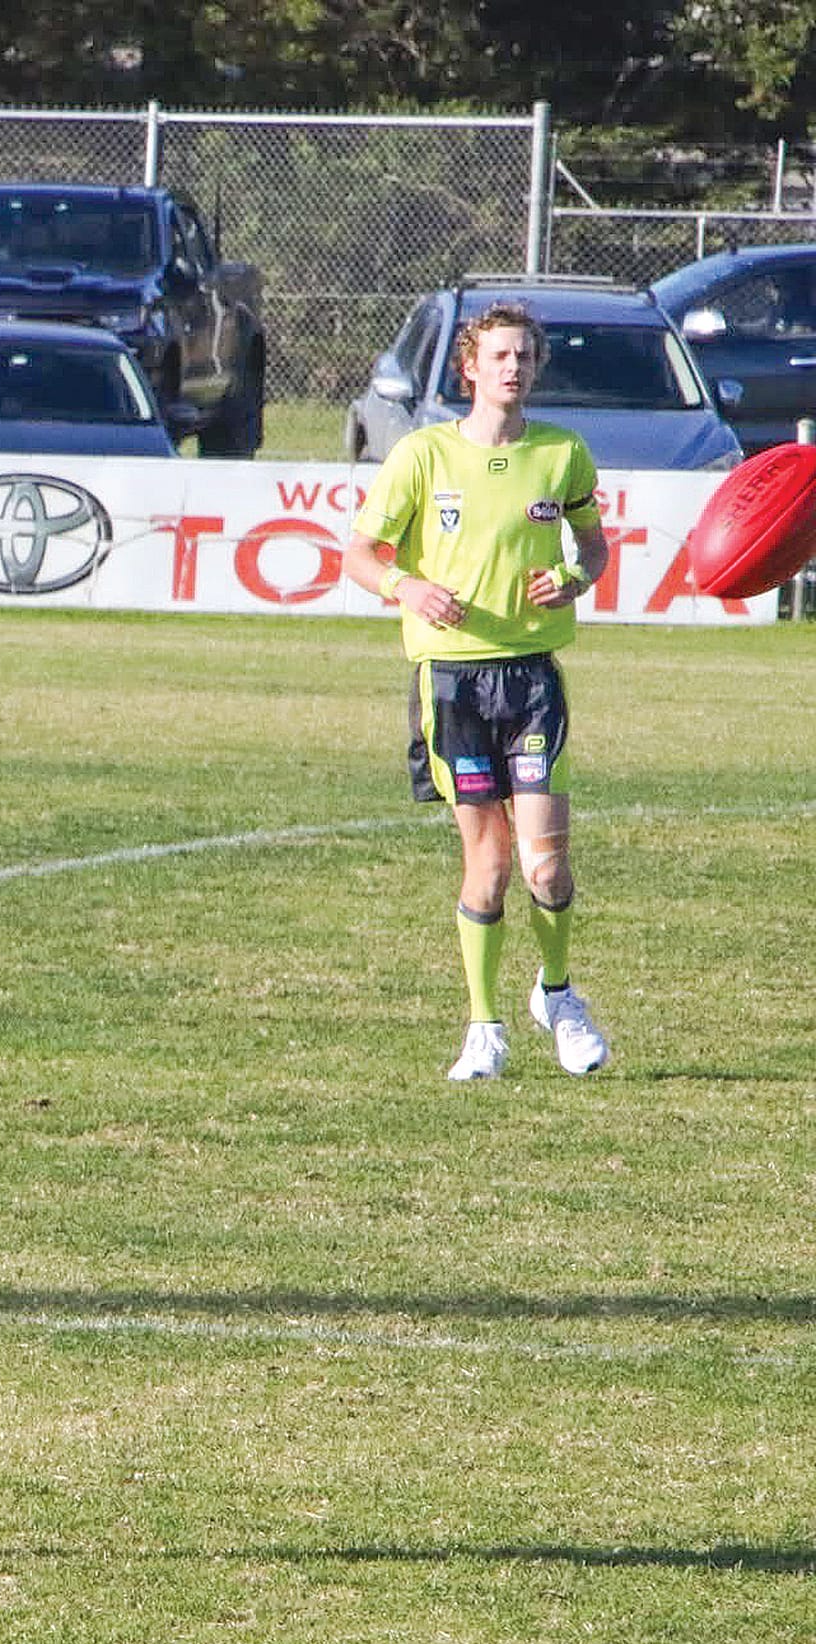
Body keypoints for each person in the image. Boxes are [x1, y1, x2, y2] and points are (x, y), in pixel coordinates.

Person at [342, 301, 611, 1082]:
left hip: (531, 679)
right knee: (488, 869)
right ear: (469, 367)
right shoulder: (423, 456)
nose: (513, 367)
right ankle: (483, 1027)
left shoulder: (562, 455)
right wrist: (408, 586)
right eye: (499, 355)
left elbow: (593, 549)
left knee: (547, 870)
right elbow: (359, 555)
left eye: (525, 356)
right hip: (453, 682)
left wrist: (571, 577)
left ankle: (557, 994)